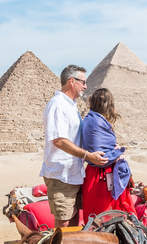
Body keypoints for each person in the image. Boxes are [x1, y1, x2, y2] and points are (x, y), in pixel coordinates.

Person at [39, 65, 107, 227]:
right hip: (60, 175)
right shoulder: (58, 105)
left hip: (74, 174)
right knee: (63, 226)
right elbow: (59, 140)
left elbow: (78, 138)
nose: (86, 86)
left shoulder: (71, 105)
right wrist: (88, 156)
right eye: (83, 82)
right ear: (71, 81)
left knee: (75, 225)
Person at [80, 88, 137, 219]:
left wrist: (114, 151)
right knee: (107, 219)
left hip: (92, 175)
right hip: (103, 177)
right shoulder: (97, 122)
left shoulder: (90, 119)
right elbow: (102, 156)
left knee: (95, 218)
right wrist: (117, 154)